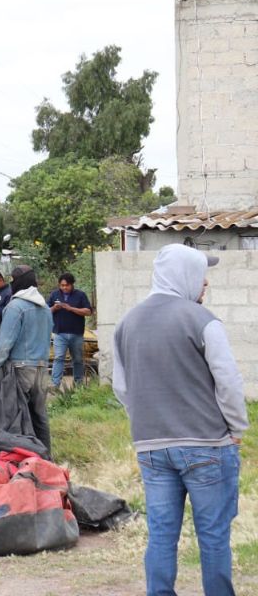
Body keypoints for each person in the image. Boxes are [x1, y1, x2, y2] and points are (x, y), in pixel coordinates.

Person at [113, 245, 247, 596]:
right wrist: (236, 428)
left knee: (161, 534)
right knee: (214, 536)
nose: (205, 283)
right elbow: (229, 382)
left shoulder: (127, 322)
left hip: (152, 448)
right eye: (201, 274)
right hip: (207, 446)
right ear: (185, 275)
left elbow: (122, 387)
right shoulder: (202, 320)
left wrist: (148, 418)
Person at [0, 265, 53, 455]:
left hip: (21, 369)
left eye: (13, 281)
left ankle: (24, 460)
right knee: (40, 416)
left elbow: (4, 344)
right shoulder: (45, 308)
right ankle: (46, 458)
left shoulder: (15, 307)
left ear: (18, 283)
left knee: (17, 417)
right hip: (41, 367)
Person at [48, 272, 93, 389]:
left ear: (72, 284)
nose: (64, 288)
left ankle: (78, 384)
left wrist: (71, 308)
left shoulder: (80, 295)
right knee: (58, 358)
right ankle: (55, 384)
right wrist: (54, 308)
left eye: (67, 285)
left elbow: (88, 311)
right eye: (62, 285)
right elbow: (46, 311)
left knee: (77, 359)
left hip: (76, 333)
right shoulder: (54, 295)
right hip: (59, 333)